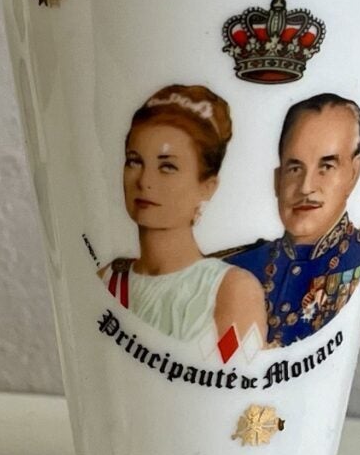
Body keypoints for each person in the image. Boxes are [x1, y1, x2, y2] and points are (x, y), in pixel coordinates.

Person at [102, 85, 266, 358]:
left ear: (207, 187)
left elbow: (238, 375)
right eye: (134, 161)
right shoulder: (110, 278)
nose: (145, 181)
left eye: (167, 167)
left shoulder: (231, 290)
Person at [222, 92, 360, 347]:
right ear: (277, 179)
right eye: (294, 169)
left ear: (354, 173)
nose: (305, 187)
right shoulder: (233, 268)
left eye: (326, 167)